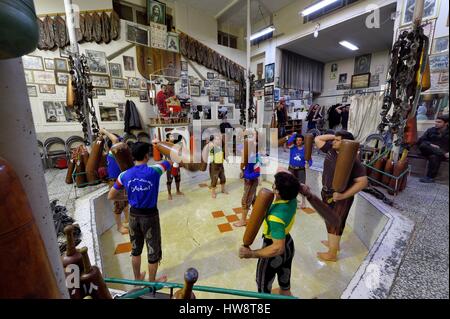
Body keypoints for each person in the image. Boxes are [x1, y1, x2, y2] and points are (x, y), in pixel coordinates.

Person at [107, 141, 170, 282]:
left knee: (135, 250)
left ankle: (137, 279)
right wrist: (158, 144)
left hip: (134, 217)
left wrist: (128, 196)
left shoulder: (124, 175)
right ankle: (152, 283)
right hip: (150, 217)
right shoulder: (155, 170)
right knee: (153, 251)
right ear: (147, 156)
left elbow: (111, 195)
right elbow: (170, 159)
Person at [239, 170, 300, 296]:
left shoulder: (275, 217)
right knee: (285, 285)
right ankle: (285, 294)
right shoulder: (293, 197)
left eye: (274, 185)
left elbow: (278, 248)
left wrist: (251, 254)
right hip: (289, 245)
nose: (272, 186)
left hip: (273, 251)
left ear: (277, 191)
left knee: (263, 289)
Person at [314, 131, 368, 262]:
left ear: (345, 143)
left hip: (341, 197)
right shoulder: (331, 150)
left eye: (337, 140)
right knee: (328, 219)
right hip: (326, 192)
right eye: (334, 140)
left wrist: (343, 195)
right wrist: (336, 137)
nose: (333, 142)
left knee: (335, 223)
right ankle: (334, 244)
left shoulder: (352, 160)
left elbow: (363, 182)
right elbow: (317, 138)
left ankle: (332, 254)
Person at [100, 128, 129, 235]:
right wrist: (104, 131)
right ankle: (119, 227)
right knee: (119, 205)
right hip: (115, 182)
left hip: (122, 180)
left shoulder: (116, 153)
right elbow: (115, 140)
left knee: (126, 202)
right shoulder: (113, 152)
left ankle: (127, 220)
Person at [234, 137, 261, 227]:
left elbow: (257, 174)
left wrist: (245, 175)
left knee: (245, 200)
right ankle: (259, 214)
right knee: (253, 198)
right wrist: (245, 140)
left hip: (251, 181)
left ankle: (243, 221)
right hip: (247, 181)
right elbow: (239, 146)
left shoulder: (256, 157)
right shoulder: (248, 154)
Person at [417, 114, 449, 183]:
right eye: (436, 121)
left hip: (439, 155)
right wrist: (430, 144)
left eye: (439, 122)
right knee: (423, 145)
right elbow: (421, 140)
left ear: (446, 123)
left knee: (434, 156)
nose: (436, 123)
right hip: (428, 150)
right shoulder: (431, 130)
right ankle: (442, 153)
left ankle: (430, 178)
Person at [286, 132, 312, 209]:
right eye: (297, 140)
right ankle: (293, 200)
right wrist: (294, 135)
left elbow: (309, 160)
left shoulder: (306, 150)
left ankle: (303, 202)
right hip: (291, 169)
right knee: (290, 184)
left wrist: (308, 164)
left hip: (300, 170)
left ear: (303, 141)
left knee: (302, 185)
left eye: (300, 140)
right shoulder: (292, 147)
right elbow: (289, 142)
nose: (298, 142)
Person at [202, 133, 227, 198]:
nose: (219, 140)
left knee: (223, 178)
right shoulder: (211, 147)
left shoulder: (221, 147)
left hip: (221, 165)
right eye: (217, 139)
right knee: (214, 179)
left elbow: (223, 153)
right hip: (214, 166)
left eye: (220, 139)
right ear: (213, 140)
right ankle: (213, 192)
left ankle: (223, 189)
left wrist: (225, 158)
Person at [165, 133, 185, 200]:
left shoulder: (176, 145)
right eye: (171, 136)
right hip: (170, 166)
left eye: (173, 136)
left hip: (176, 164)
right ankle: (169, 194)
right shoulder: (166, 146)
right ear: (168, 139)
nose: (172, 137)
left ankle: (178, 191)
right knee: (169, 180)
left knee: (178, 178)